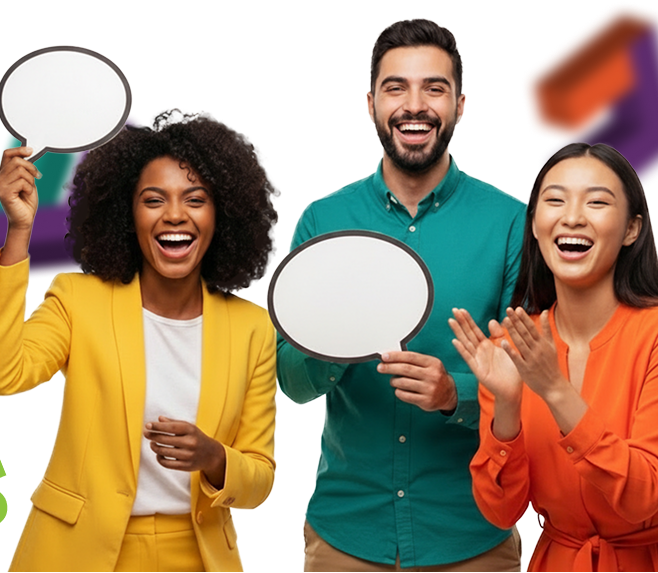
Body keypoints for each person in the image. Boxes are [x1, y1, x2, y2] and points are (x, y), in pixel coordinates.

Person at [0, 107, 282, 572]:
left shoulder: (252, 328)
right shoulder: (79, 299)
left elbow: (258, 480)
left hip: (196, 556)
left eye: (195, 199)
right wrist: (19, 232)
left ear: (223, 215)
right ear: (126, 212)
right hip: (78, 552)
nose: (174, 216)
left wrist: (213, 455)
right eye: (153, 200)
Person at [277, 16, 526, 571]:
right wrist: (336, 339)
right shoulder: (323, 219)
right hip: (346, 535)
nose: (415, 106)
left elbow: (532, 384)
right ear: (371, 103)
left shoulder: (511, 222)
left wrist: (453, 394)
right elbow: (292, 382)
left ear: (460, 103)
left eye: (434, 88)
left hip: (471, 534)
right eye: (396, 87)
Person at [450, 142, 658, 571]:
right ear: (535, 224)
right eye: (554, 200)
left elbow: (641, 493)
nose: (572, 216)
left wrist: (554, 389)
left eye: (597, 202)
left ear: (631, 229)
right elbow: (500, 511)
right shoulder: (511, 349)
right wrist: (508, 406)